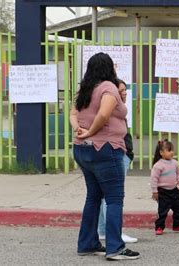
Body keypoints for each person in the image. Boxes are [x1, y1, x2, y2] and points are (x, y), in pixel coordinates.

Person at [70, 52, 139, 260]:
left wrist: (79, 130)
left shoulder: (85, 89)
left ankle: (88, 242)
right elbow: (104, 114)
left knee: (94, 196)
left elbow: (73, 114)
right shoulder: (108, 87)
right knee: (114, 198)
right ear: (110, 68)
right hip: (106, 148)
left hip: (83, 149)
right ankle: (115, 248)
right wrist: (90, 131)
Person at [96, 79, 137, 243]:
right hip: (117, 154)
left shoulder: (114, 110)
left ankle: (102, 231)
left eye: (125, 90)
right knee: (112, 195)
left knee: (102, 195)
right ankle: (115, 232)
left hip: (117, 154)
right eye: (121, 90)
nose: (125, 93)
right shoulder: (112, 110)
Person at [151, 139, 179, 235]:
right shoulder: (158, 166)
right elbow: (154, 179)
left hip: (174, 190)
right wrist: (155, 191)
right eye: (169, 150)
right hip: (163, 192)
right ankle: (159, 227)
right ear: (161, 153)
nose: (171, 152)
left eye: (172, 150)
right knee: (162, 211)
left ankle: (177, 225)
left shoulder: (175, 163)